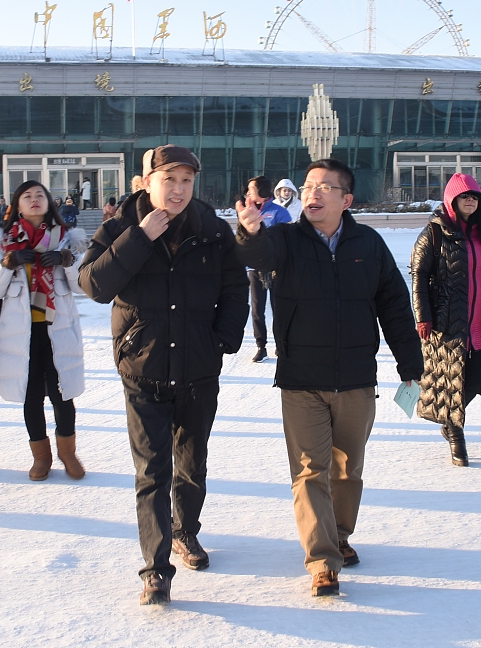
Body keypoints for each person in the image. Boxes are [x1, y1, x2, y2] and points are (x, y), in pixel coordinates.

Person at [235, 158, 423, 598]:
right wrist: (248, 230)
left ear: (346, 199)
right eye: (307, 187)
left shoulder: (369, 244)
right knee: (308, 471)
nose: (312, 194)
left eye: (324, 187)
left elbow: (395, 308)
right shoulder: (283, 240)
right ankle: (322, 559)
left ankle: (339, 534)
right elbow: (254, 255)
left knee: (347, 468)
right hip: (301, 379)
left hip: (357, 379)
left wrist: (410, 366)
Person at [79, 145, 248, 606]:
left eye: (186, 181)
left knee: (191, 467)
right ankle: (155, 570)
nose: (177, 190)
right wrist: (139, 237)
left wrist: (223, 338)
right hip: (143, 368)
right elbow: (93, 285)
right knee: (152, 471)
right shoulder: (119, 227)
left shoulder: (212, 230)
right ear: (146, 182)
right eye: (168, 180)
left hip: (198, 368)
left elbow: (236, 286)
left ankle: (184, 532)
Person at [0, 181, 89, 481]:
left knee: (62, 394)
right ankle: (41, 457)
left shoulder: (66, 240)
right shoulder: (5, 244)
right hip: (23, 334)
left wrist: (67, 261)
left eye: (39, 195)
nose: (34, 200)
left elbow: (82, 286)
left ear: (48, 202)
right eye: (26, 196)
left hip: (58, 330)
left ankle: (68, 453)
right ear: (17, 206)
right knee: (31, 397)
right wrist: (6, 263)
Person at [410, 174, 481, 466]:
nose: (470, 201)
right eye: (464, 196)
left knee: (477, 376)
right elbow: (418, 277)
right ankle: (456, 433)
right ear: (451, 200)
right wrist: (423, 317)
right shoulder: (434, 233)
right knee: (453, 379)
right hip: (448, 321)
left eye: (475, 197)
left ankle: (449, 421)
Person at [239, 176, 293, 362]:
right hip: (255, 269)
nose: (248, 193)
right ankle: (261, 346)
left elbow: (285, 240)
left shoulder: (280, 213)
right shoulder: (248, 211)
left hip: (276, 269)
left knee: (279, 307)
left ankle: (281, 344)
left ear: (262, 191)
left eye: (251, 189)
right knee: (257, 309)